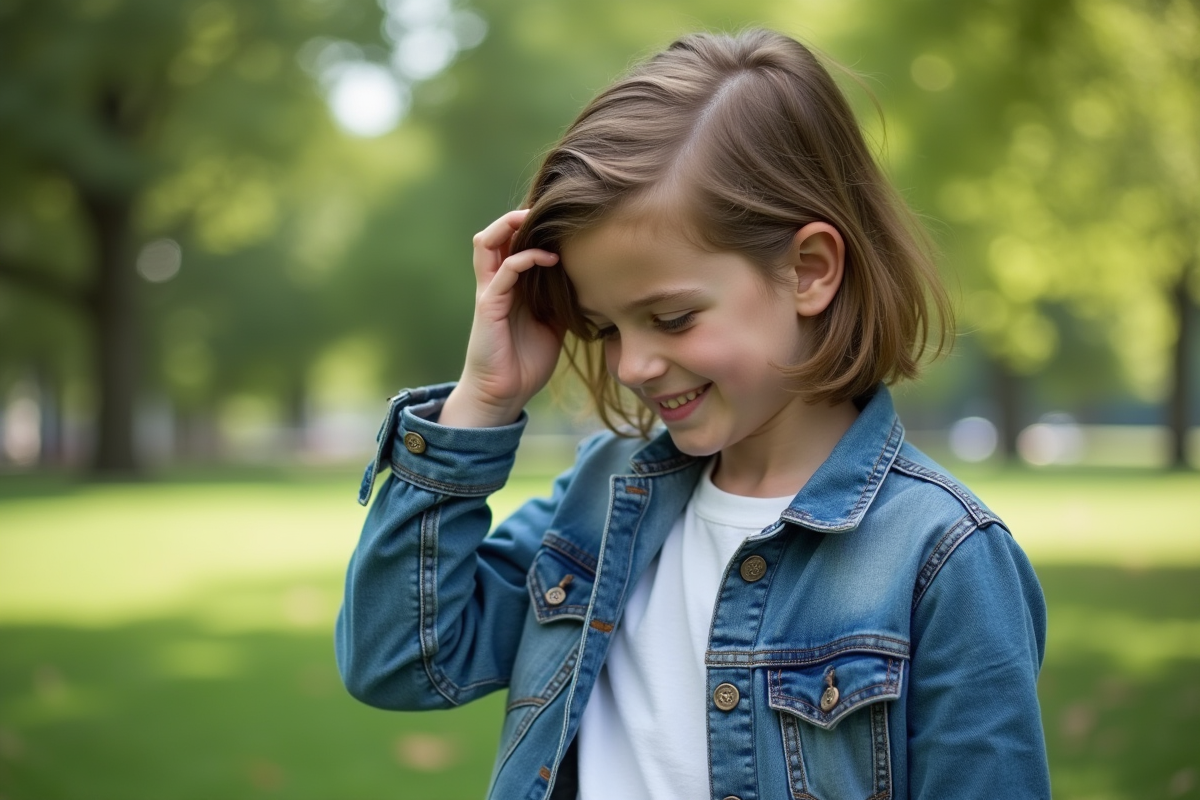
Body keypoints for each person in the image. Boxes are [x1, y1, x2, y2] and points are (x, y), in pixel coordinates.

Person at [337, 29, 1051, 800]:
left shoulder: (942, 559)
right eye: (606, 327)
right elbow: (400, 662)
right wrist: (484, 399)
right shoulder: (601, 497)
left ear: (809, 270)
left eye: (672, 318)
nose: (631, 365)